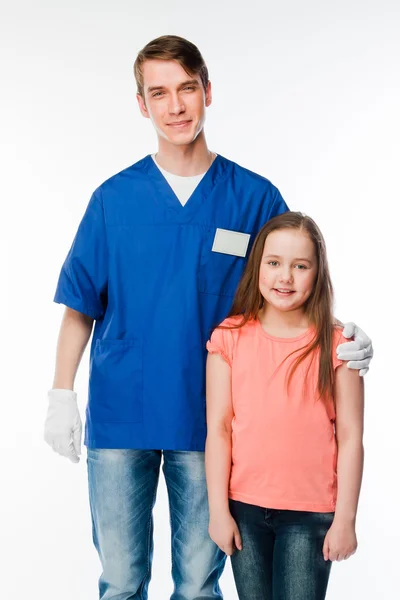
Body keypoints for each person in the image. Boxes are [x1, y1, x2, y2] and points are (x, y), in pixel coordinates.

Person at [44, 36, 372, 600]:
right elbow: (80, 306)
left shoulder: (252, 197)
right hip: (123, 418)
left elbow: (288, 280)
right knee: (120, 582)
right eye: (159, 93)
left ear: (208, 92)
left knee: (198, 585)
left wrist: (339, 332)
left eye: (187, 89)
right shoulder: (113, 200)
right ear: (142, 105)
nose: (175, 106)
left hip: (213, 426)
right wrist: (61, 394)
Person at [205, 211, 365, 600]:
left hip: (310, 514)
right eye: (274, 263)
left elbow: (350, 437)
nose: (285, 277)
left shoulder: (339, 344)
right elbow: (220, 429)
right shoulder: (229, 338)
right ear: (258, 265)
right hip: (244, 508)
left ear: (318, 272)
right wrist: (217, 512)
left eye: (300, 266)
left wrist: (345, 518)